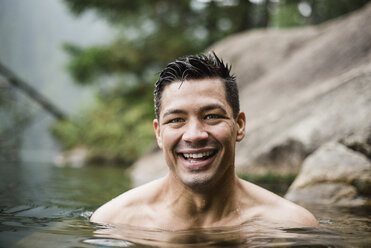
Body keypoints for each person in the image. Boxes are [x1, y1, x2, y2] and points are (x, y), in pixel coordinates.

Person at [90, 52, 318, 230]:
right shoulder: (114, 222)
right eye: (177, 119)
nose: (194, 135)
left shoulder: (291, 225)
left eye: (211, 116)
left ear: (239, 126)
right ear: (159, 133)